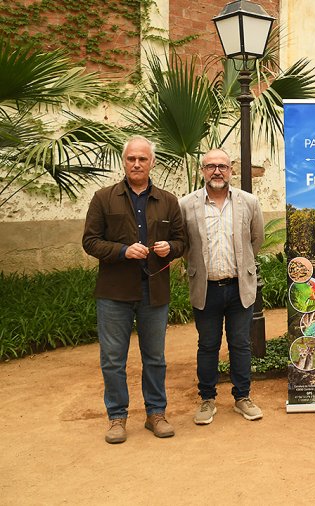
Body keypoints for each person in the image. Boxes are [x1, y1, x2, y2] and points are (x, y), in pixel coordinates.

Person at [82, 136, 186, 444]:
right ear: (124, 162)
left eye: (142, 159)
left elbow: (182, 241)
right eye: (131, 159)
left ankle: (156, 413)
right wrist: (122, 251)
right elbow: (90, 241)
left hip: (154, 290)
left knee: (154, 356)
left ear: (152, 163)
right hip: (114, 292)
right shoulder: (104, 198)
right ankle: (117, 417)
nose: (137, 164)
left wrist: (171, 248)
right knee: (113, 358)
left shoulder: (167, 200)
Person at [180, 148, 264, 425]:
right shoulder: (187, 205)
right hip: (206, 288)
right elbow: (185, 245)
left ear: (231, 170)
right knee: (207, 345)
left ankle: (243, 397)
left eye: (223, 166)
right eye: (210, 166)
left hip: (240, 287)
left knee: (241, 344)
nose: (217, 171)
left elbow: (256, 240)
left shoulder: (249, 202)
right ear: (203, 170)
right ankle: (207, 400)